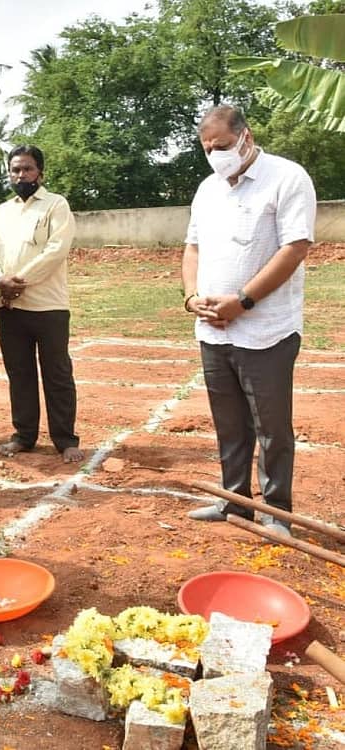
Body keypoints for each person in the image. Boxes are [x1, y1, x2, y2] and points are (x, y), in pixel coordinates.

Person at [182, 105, 316, 537]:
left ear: (246, 137)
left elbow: (295, 249)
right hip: (213, 330)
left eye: (222, 146)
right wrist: (192, 297)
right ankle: (234, 503)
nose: (216, 156)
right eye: (208, 149)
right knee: (229, 425)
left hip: (266, 330)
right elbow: (193, 248)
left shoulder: (287, 177)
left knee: (271, 428)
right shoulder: (207, 189)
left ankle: (277, 513)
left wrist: (242, 302)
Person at [0, 145, 83, 463]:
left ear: (40, 172)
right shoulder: (2, 211)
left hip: (48, 306)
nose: (21, 175)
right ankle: (24, 436)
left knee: (57, 374)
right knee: (19, 374)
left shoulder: (56, 205)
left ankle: (65, 440)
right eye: (15, 169)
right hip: (8, 307)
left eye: (27, 169)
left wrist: (18, 282)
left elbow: (55, 251)